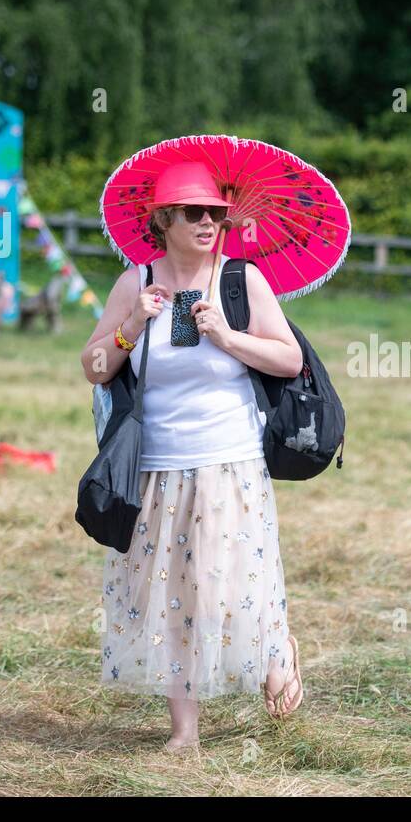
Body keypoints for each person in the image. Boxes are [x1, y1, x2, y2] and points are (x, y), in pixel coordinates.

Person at [80, 161, 306, 756]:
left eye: (215, 213)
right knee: (172, 593)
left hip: (229, 461)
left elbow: (289, 361)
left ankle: (275, 646)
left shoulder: (240, 281)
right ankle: (185, 732)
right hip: (155, 465)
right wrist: (133, 324)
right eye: (193, 213)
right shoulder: (136, 282)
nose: (208, 222)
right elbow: (96, 367)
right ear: (163, 220)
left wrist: (227, 337)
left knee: (225, 587)